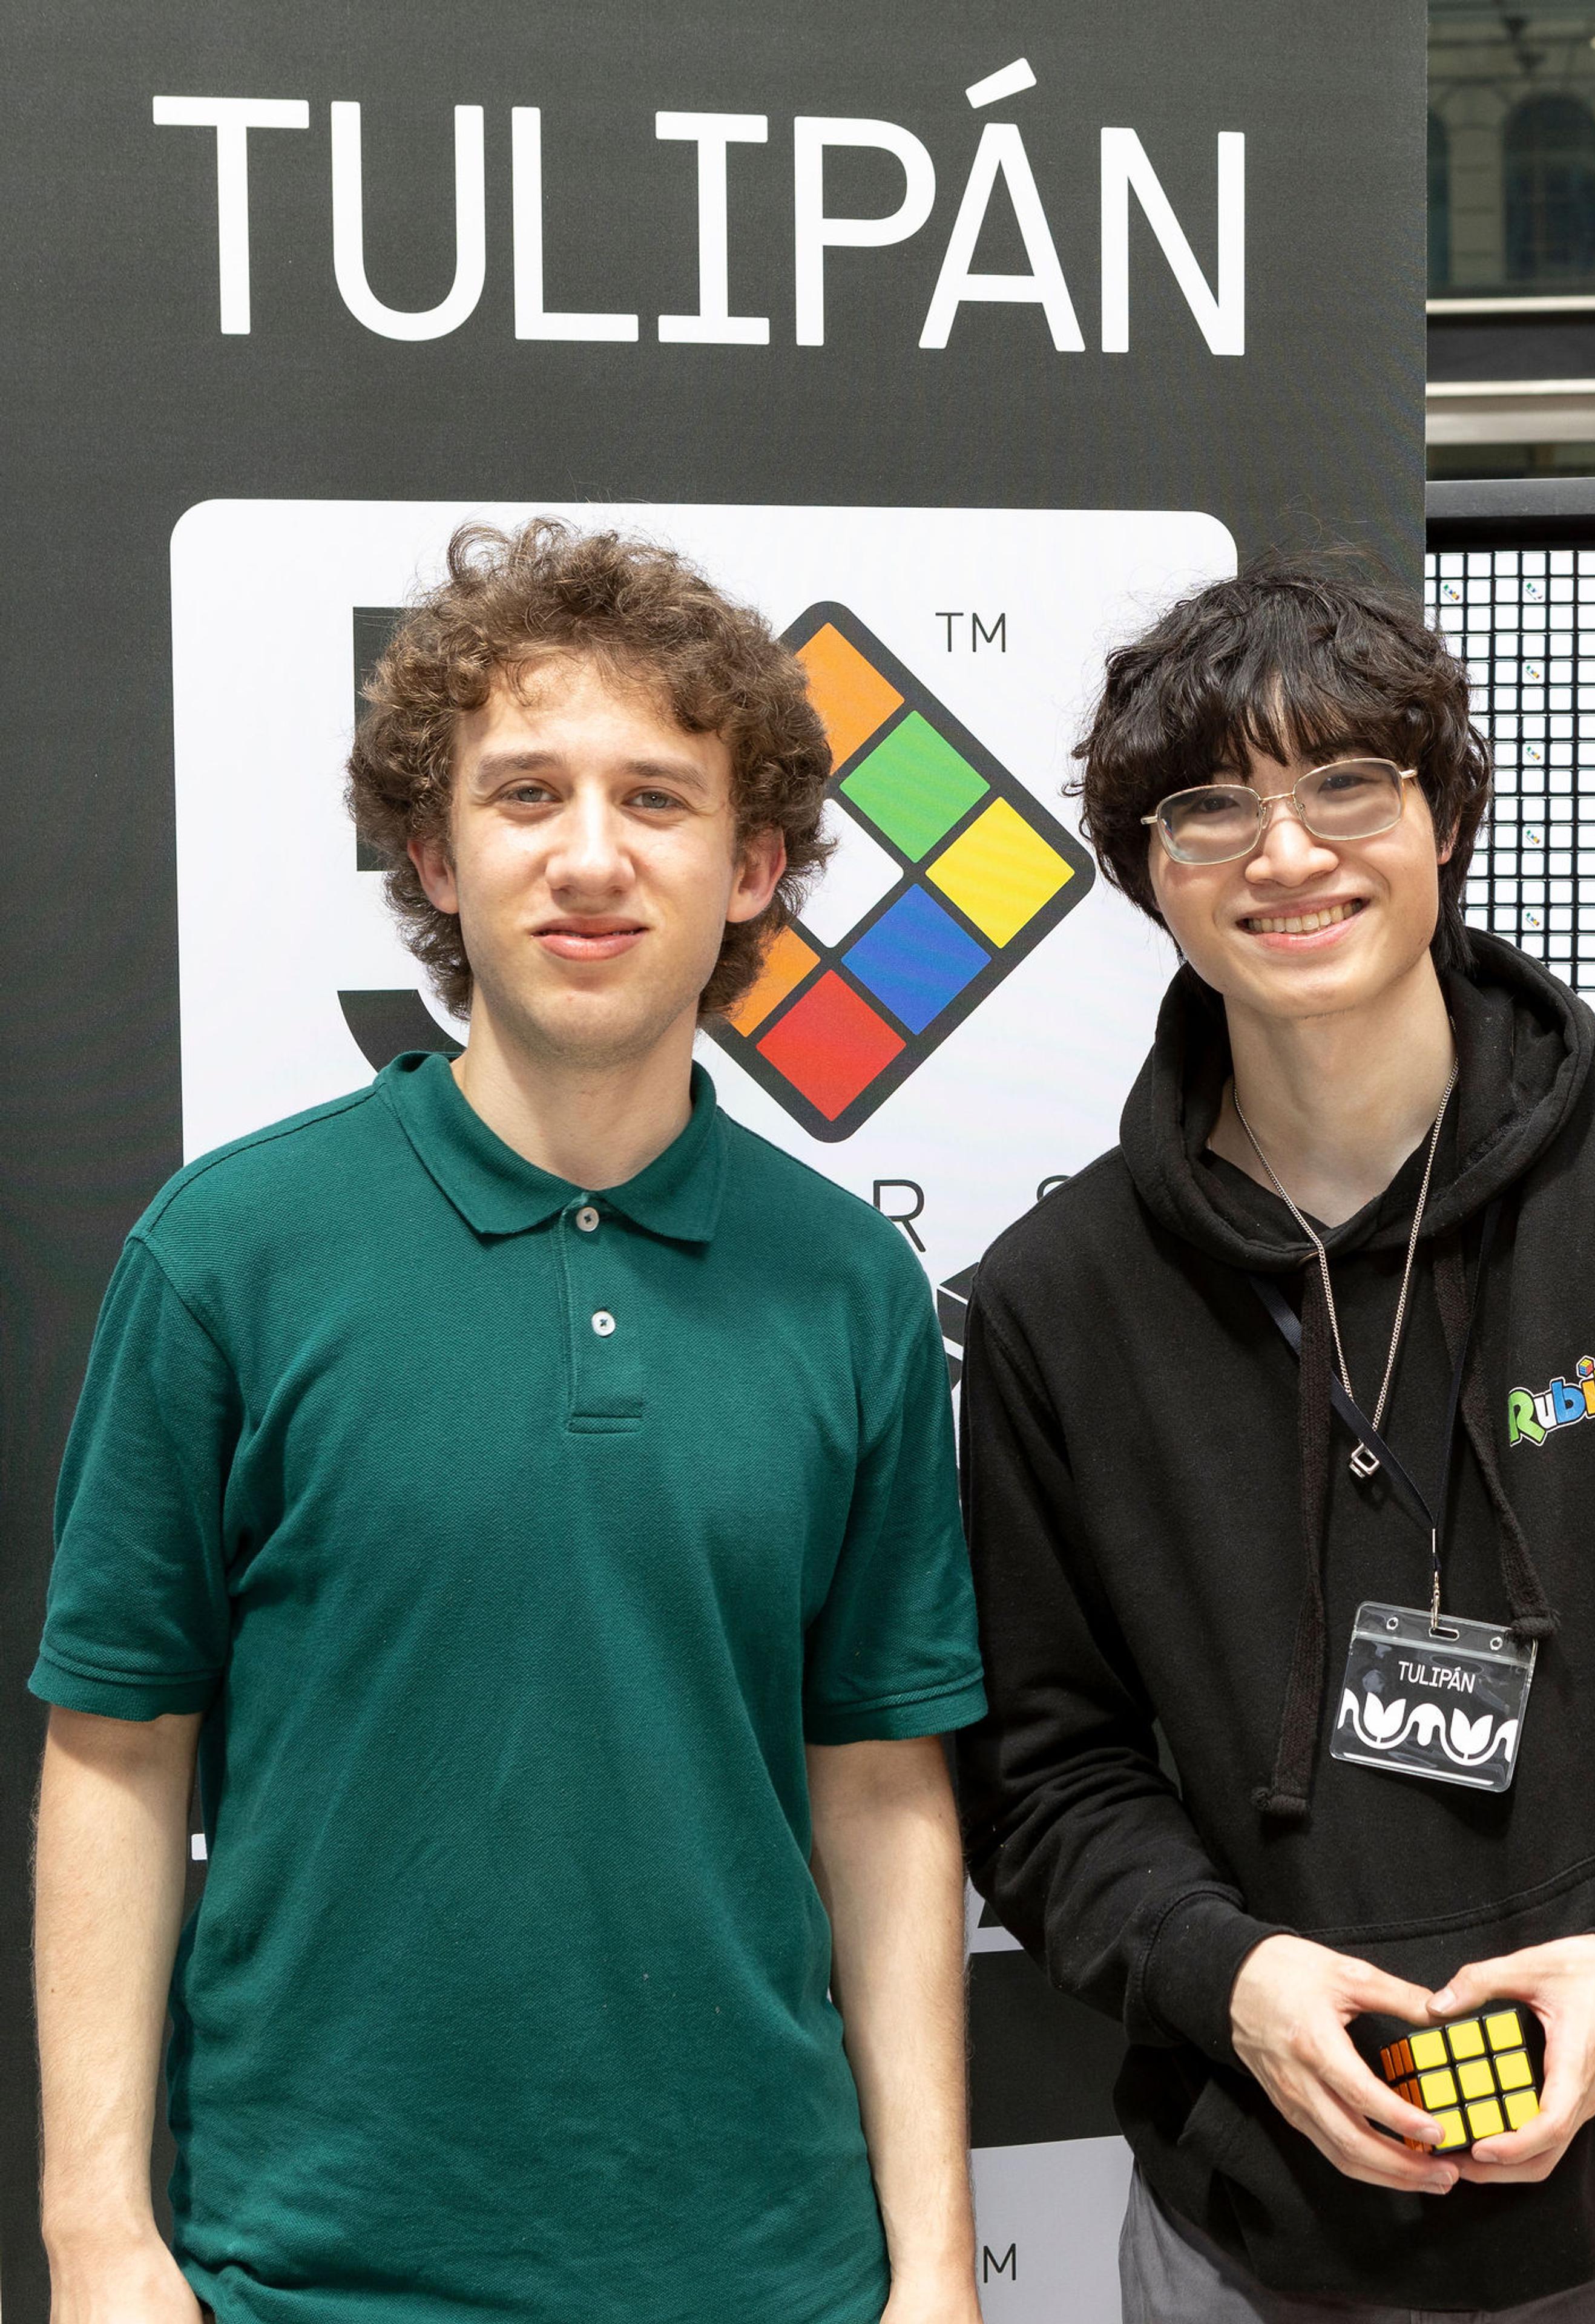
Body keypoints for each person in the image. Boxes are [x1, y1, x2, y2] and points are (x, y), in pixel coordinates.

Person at [955, 557, 1595, 2321]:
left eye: (1346, 782)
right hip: (1242, 2241)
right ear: (1148, 874)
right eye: (1212, 809)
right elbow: (1043, 1770)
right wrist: (1226, 1977)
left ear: (1442, 815)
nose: (1287, 852)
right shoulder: (1057, 1299)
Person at [31, 521, 987, 2324]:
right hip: (312, 2271)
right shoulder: (230, 1251)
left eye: (658, 798)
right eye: (527, 793)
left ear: (755, 865)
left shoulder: (852, 1285)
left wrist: (936, 2259)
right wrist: (97, 2236)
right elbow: (116, 1751)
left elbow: (879, 1786)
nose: (590, 856)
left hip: (763, 2271)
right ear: (433, 854)